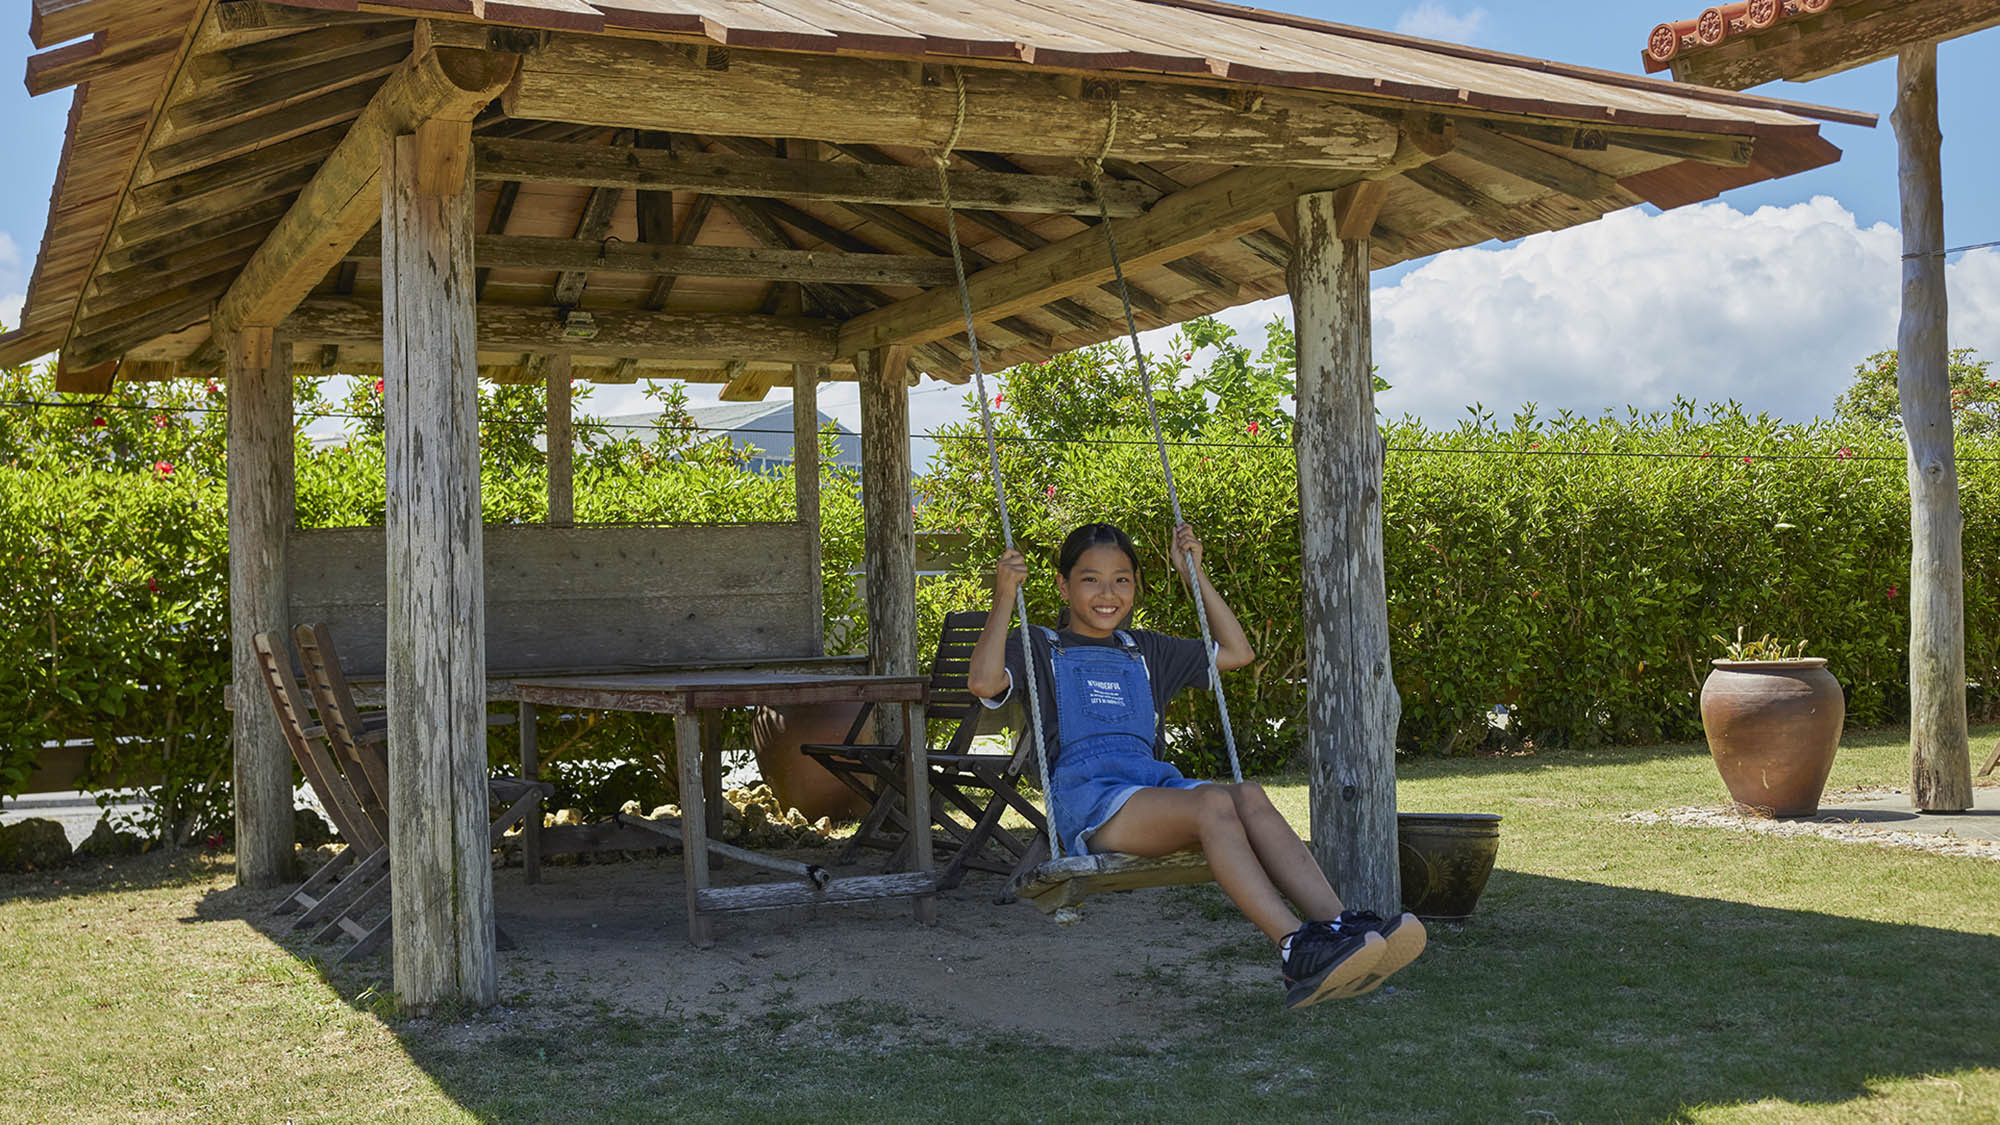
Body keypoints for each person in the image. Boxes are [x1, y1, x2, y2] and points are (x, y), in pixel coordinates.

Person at [968, 521, 1425, 1009]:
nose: (1108, 593)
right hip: (1089, 798)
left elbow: (1238, 652)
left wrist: (1195, 576)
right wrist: (1003, 597)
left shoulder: (1146, 649)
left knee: (1248, 794)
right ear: (1063, 585)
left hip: (1149, 786)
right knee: (1211, 803)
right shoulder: (1038, 645)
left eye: (1122, 579)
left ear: (1136, 586)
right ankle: (1295, 949)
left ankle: (1337, 928)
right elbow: (983, 682)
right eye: (1090, 579)